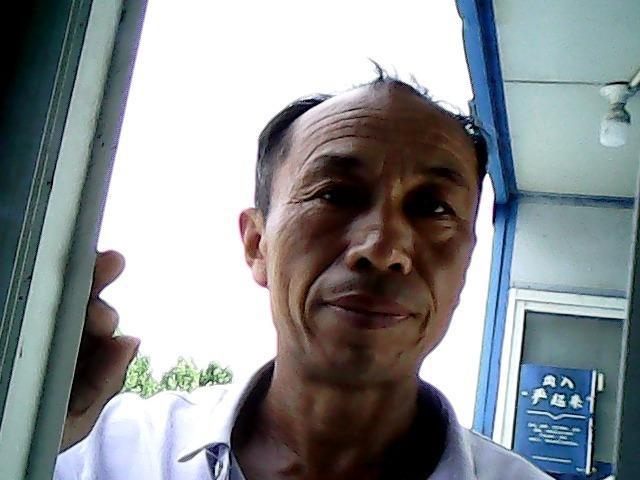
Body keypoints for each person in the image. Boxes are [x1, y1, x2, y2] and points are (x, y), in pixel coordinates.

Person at [55, 70, 552, 479]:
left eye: (433, 208)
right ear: (257, 244)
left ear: (467, 261)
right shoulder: (92, 454)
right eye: (335, 195)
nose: (383, 250)